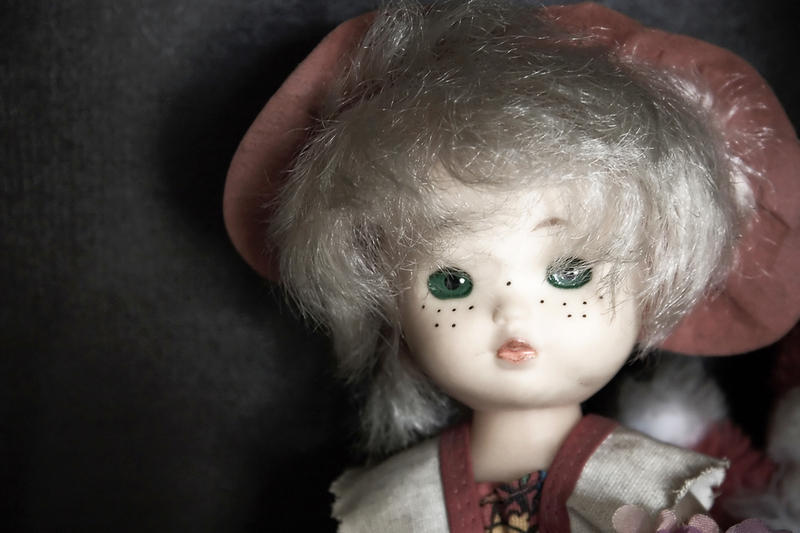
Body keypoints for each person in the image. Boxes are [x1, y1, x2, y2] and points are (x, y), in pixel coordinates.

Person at [223, 1, 800, 531]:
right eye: (452, 283)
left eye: (570, 274)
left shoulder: (653, 488)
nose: (512, 311)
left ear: (651, 279)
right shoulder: (395, 504)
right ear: (389, 300)